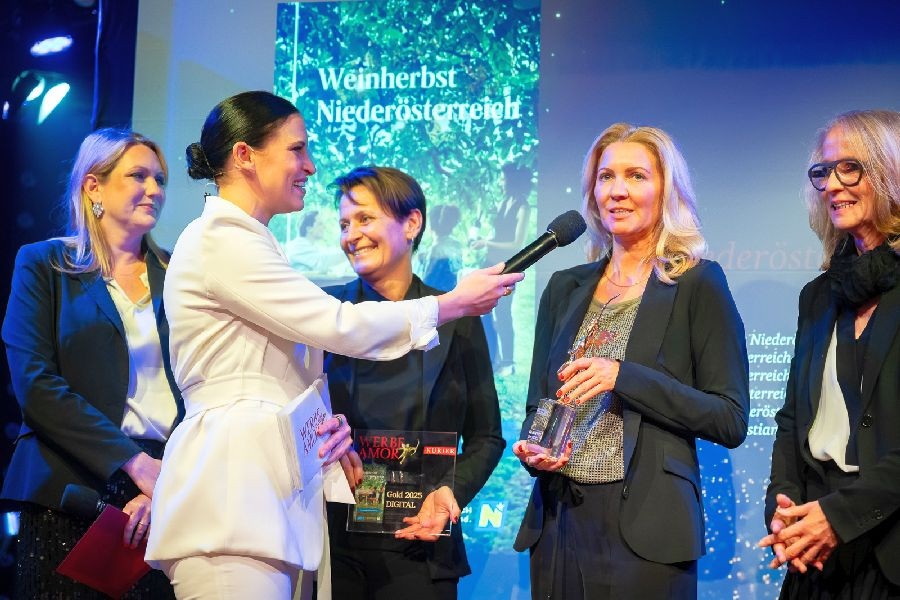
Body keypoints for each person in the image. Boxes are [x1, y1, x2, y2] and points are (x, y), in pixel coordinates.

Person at [142, 91, 522, 598]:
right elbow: (339, 325)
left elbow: (277, 374)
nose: (310, 165)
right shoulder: (220, 239)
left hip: (261, 505)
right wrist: (449, 304)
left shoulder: (248, 242)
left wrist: (324, 425)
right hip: (231, 497)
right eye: (296, 149)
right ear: (245, 156)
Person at [512, 123, 749, 599]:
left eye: (636, 176)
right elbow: (539, 404)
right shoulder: (564, 287)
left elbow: (729, 418)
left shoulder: (696, 283)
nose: (617, 191)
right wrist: (535, 449)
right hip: (558, 522)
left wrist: (623, 377)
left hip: (645, 528)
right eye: (606, 177)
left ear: (666, 190)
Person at [1, 128, 183, 598]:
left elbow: (203, 385)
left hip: (164, 490)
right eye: (139, 176)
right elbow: (36, 386)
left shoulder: (180, 274)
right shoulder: (44, 264)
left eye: (160, 179)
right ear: (93, 187)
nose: (155, 189)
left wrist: (162, 480)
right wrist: (133, 463)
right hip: (70, 491)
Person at [323, 166, 504, 599]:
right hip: (332, 548)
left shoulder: (456, 316)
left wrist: (449, 492)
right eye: (344, 224)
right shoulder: (326, 312)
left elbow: (487, 437)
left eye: (365, 219)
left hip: (421, 546)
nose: (352, 235)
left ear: (412, 224)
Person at [759, 110, 900, 598]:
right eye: (824, 171)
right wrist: (783, 506)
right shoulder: (818, 297)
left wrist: (838, 518)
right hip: (816, 549)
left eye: (850, 168)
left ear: (890, 171)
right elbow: (792, 419)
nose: (833, 185)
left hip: (889, 546)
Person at [473, 163, 533, 374]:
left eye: (503, 178)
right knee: (485, 313)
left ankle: (508, 361)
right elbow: (498, 234)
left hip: (508, 268)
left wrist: (486, 242)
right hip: (489, 263)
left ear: (512, 181)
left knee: (504, 314)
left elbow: (517, 243)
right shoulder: (503, 202)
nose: (500, 182)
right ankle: (493, 357)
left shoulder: (523, 207)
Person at [421, 204, 463, 292]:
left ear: (431, 224)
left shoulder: (436, 249)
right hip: (452, 295)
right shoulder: (456, 245)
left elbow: (427, 283)